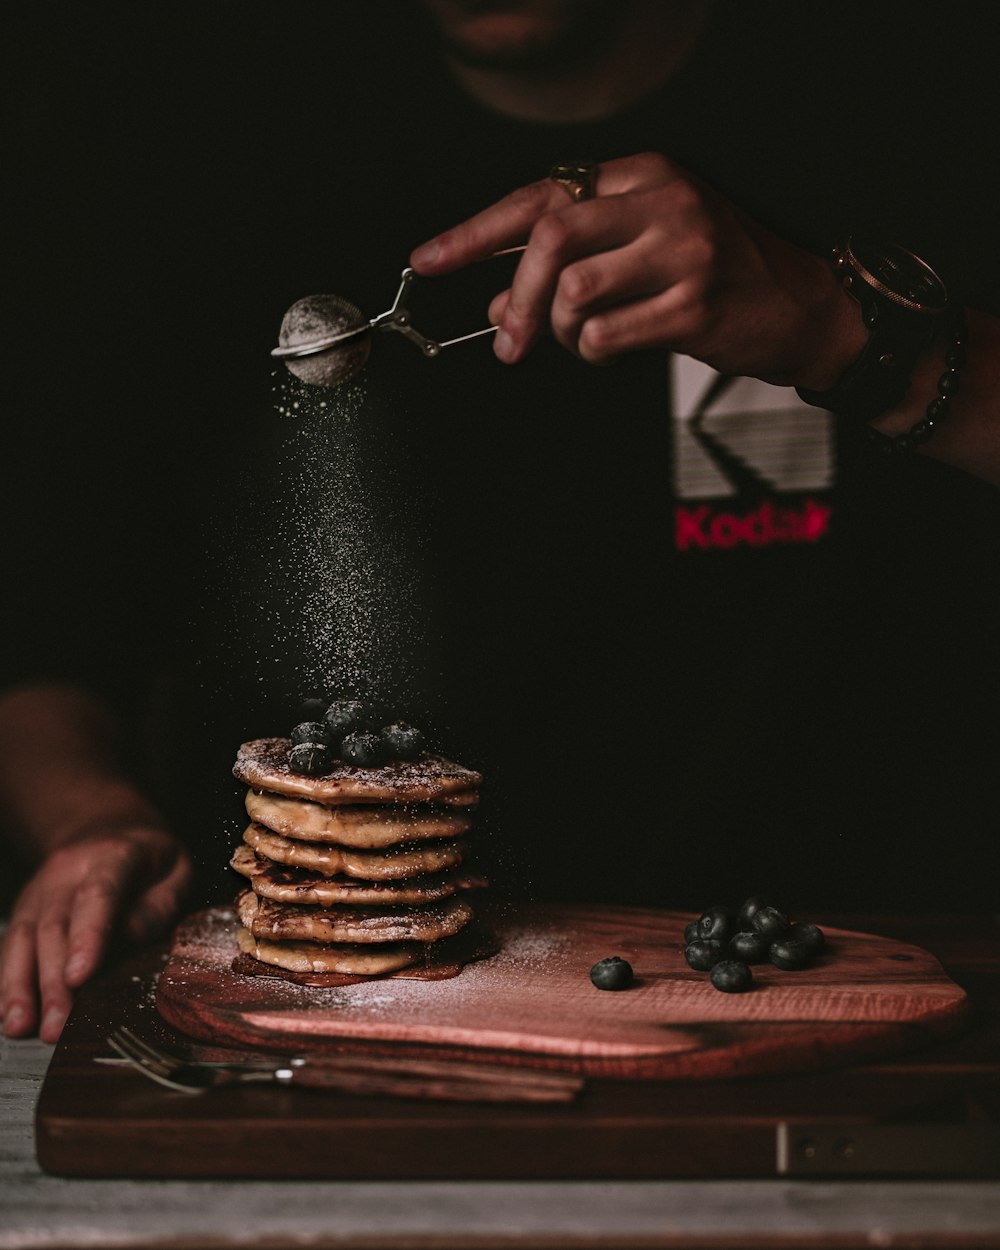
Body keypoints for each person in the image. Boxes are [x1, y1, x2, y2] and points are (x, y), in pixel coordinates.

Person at [4, 0, 1000, 1042]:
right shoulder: (208, 141)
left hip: (851, 995)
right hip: (324, 1031)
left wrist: (842, 329)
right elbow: (45, 623)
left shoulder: (914, 77)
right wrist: (91, 819)